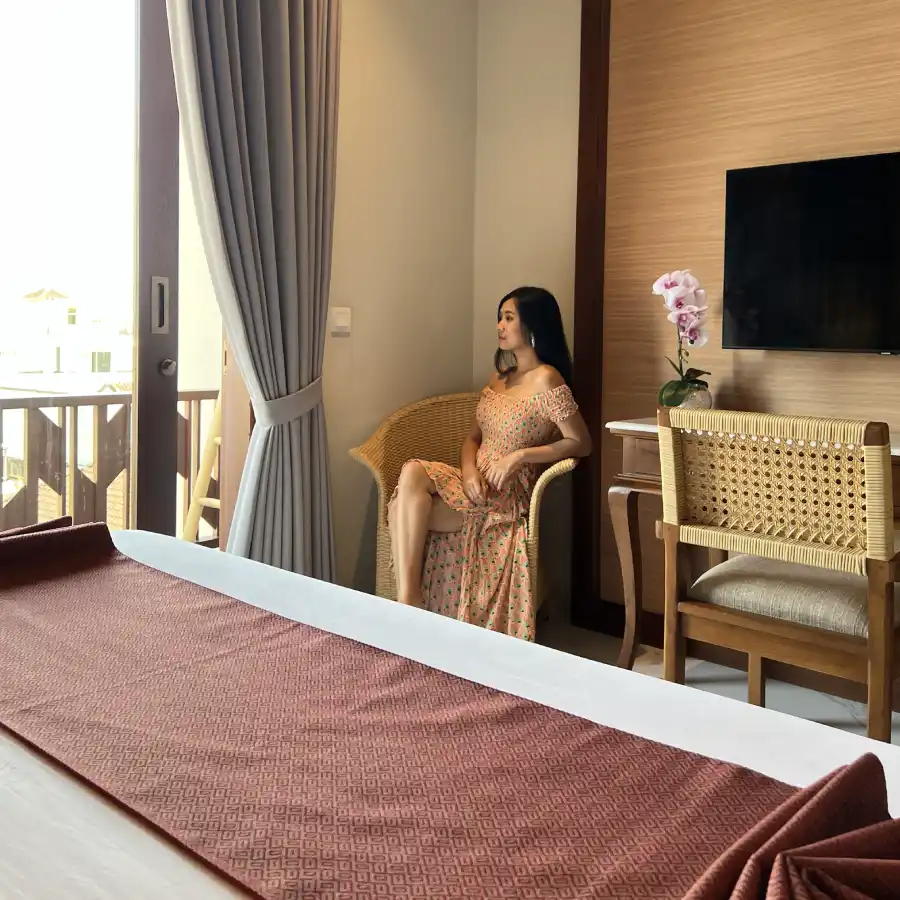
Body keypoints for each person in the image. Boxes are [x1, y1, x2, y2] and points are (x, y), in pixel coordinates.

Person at [388, 287, 592, 641]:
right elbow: (472, 438)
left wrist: (521, 456)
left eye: (509, 318)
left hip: (502, 495)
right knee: (411, 472)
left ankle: (406, 605)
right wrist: (468, 472)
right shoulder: (499, 377)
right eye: (500, 317)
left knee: (399, 508)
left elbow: (581, 443)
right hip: (472, 481)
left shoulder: (547, 379)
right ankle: (409, 601)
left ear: (533, 324)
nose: (499, 325)